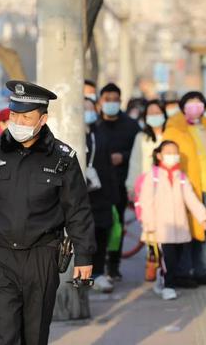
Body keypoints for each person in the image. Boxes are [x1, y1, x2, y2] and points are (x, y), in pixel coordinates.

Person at [0, 80, 96, 344]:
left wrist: (84, 256)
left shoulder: (62, 157)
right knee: (4, 334)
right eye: (14, 114)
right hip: (0, 255)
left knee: (35, 334)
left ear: (42, 119)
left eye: (26, 116)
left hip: (42, 256)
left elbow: (77, 210)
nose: (18, 121)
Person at [163, 91, 206, 287]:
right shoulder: (175, 127)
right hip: (187, 187)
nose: (195, 106)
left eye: (199, 103)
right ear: (183, 106)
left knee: (204, 229)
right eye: (190, 103)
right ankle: (183, 272)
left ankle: (201, 271)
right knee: (187, 231)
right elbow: (167, 154)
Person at [138, 140, 206, 300]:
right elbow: (146, 201)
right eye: (168, 152)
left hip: (180, 228)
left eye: (175, 152)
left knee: (176, 258)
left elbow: (191, 199)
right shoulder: (153, 176)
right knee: (167, 259)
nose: (172, 156)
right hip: (161, 228)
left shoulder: (182, 177)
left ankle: (161, 281)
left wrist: (203, 216)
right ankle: (168, 286)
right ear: (159, 155)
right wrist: (149, 223)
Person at [96, 82, 140, 280]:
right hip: (97, 185)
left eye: (115, 100)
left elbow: (139, 151)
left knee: (117, 226)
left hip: (120, 183)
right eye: (108, 100)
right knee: (98, 226)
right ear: (101, 101)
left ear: (120, 101)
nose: (111, 103)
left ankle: (113, 265)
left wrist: (123, 156)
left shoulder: (130, 125)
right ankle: (96, 266)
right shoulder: (93, 124)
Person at [85, 99, 119, 293]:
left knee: (101, 234)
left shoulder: (100, 135)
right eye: (84, 109)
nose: (88, 113)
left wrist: (113, 195)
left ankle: (98, 273)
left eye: (91, 109)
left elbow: (108, 166)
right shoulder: (68, 135)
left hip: (101, 195)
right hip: (79, 198)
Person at [126, 100, 167, 197]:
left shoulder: (171, 135)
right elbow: (135, 162)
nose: (154, 116)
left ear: (164, 114)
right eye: (151, 113)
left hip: (167, 187)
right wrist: (131, 187)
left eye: (157, 113)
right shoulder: (141, 137)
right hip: (146, 187)